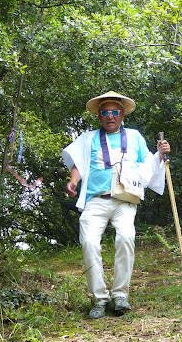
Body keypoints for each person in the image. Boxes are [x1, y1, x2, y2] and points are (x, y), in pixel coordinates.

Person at [62, 91, 170, 319]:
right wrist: (73, 181)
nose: (109, 116)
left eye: (114, 112)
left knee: (126, 238)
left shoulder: (134, 137)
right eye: (105, 112)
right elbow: (79, 164)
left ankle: (120, 295)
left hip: (125, 199)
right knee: (89, 242)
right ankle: (99, 298)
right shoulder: (89, 138)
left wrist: (161, 155)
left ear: (122, 114)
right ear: (99, 116)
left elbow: (148, 164)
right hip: (96, 199)